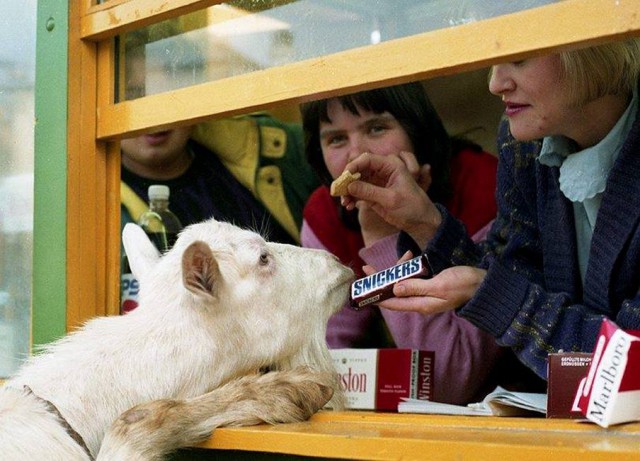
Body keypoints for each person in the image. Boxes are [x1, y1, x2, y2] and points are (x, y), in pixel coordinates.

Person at [338, 38, 640, 381]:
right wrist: (425, 224)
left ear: (593, 46)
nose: (496, 84)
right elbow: (513, 279)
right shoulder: (523, 143)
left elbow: (629, 366)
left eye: (519, 57)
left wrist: (489, 293)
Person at [300, 82, 517, 404]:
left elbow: (449, 380)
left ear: (416, 128)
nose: (357, 154)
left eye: (376, 128)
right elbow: (322, 356)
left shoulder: (486, 187)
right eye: (336, 139)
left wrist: (385, 236)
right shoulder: (324, 212)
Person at [120, 114, 320, 245]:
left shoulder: (270, 150)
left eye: (164, 93)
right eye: (132, 95)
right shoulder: (95, 209)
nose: (151, 115)